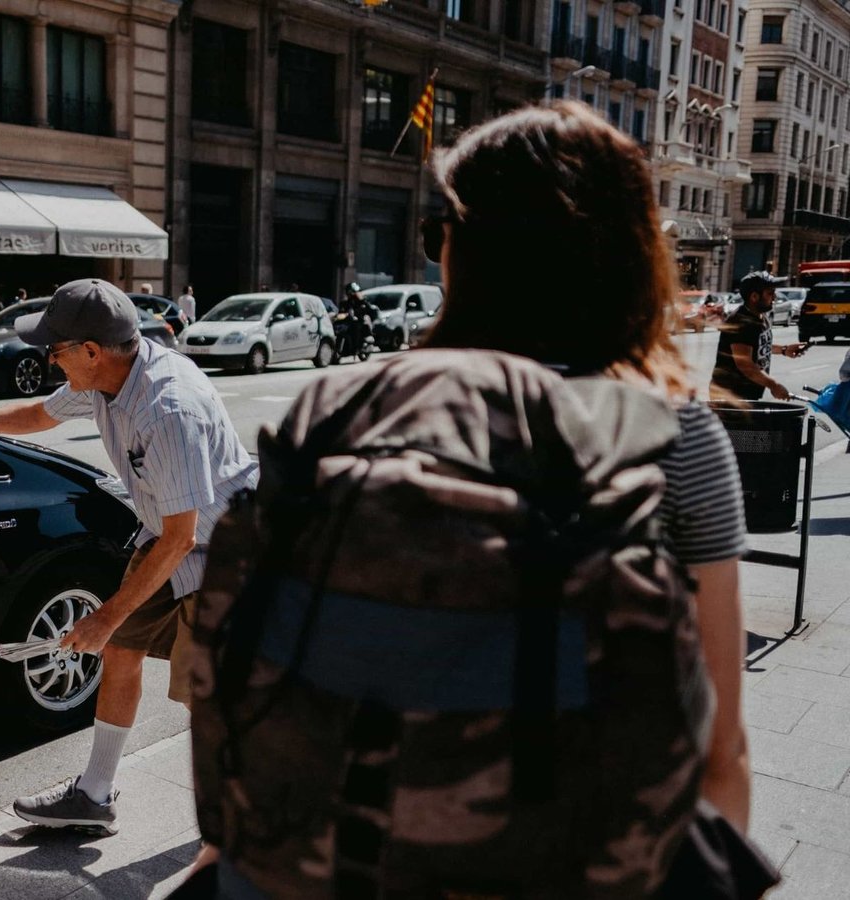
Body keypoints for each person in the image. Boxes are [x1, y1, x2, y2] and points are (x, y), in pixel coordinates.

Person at [189, 101, 753, 895]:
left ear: (461, 251)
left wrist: (224, 865)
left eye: (438, 231)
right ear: (627, 254)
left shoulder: (333, 413)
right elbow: (718, 754)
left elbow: (256, 691)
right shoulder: (670, 437)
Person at [0, 278, 257, 833]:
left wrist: (105, 613)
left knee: (206, 692)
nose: (48, 358)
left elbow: (180, 540)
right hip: (173, 531)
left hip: (229, 550)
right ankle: (95, 797)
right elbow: (39, 416)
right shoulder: (104, 378)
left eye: (56, 349)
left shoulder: (168, 408)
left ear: (92, 351)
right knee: (121, 649)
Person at [711, 270, 808, 401]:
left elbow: (756, 346)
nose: (774, 297)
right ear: (754, 297)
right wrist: (774, 385)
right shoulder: (741, 322)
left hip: (747, 395)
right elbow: (745, 364)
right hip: (731, 396)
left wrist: (784, 350)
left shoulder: (761, 316)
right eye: (770, 293)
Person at [335, 281, 378, 357]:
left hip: (359, 321)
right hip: (348, 321)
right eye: (349, 292)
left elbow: (367, 309)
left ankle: (357, 348)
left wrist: (359, 314)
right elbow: (342, 311)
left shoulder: (362, 301)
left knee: (356, 328)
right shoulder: (346, 302)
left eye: (351, 291)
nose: (350, 293)